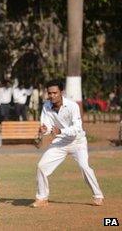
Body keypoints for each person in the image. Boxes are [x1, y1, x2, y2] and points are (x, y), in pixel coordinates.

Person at [32, 79, 104, 208]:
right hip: (60, 141)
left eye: (55, 93)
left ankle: (98, 195)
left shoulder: (72, 106)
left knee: (84, 167)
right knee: (41, 166)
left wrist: (60, 130)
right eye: (50, 93)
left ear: (61, 92)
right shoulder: (46, 106)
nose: (52, 96)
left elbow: (77, 128)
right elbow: (48, 126)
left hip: (77, 141)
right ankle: (42, 198)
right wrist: (45, 130)